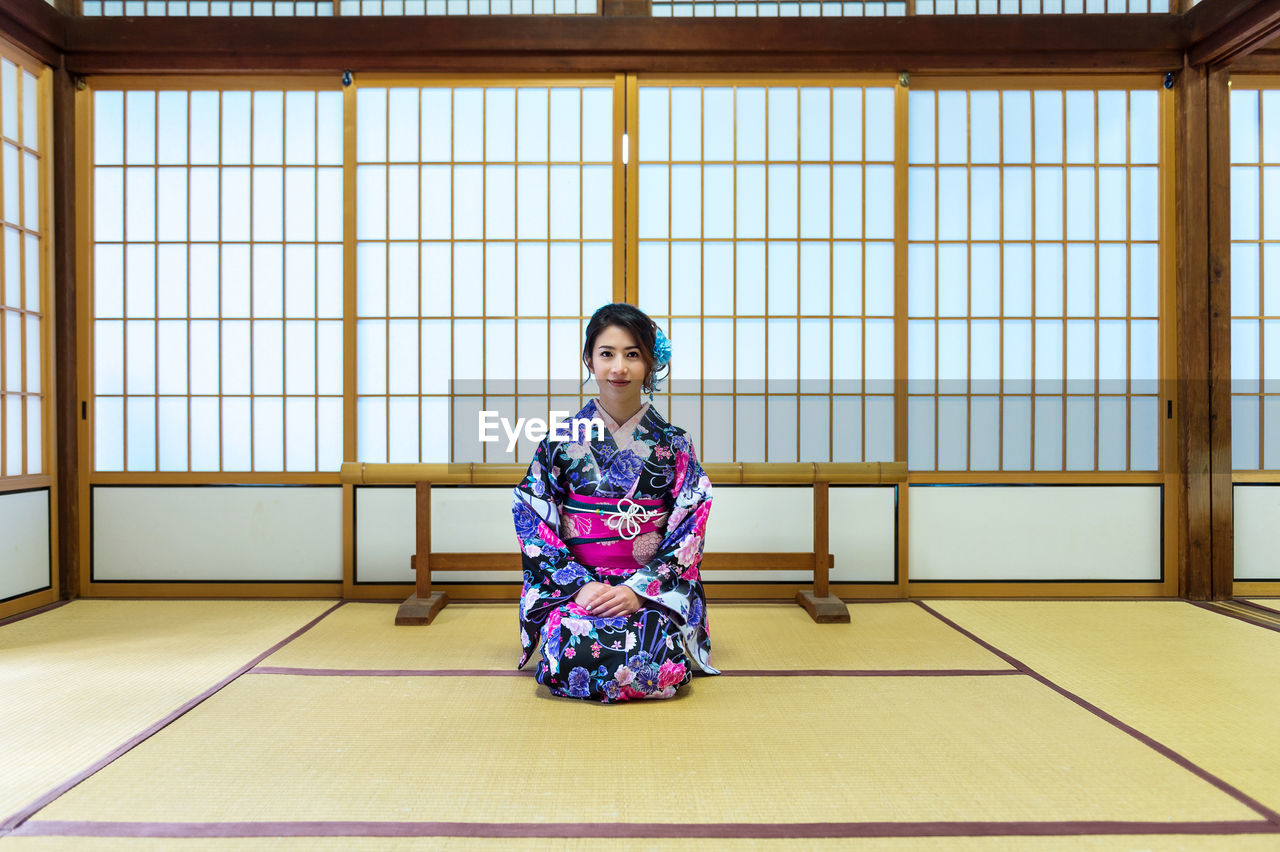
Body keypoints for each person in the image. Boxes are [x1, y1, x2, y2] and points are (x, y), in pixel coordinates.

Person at [512, 303, 717, 702]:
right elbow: (530, 514)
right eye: (607, 354)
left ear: (650, 363)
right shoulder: (559, 441)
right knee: (574, 651)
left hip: (648, 589)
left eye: (632, 354)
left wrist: (639, 590)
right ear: (589, 359)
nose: (618, 367)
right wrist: (580, 587)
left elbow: (691, 521)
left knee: (653, 656)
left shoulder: (673, 443)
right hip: (579, 587)